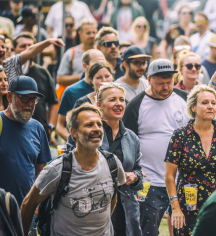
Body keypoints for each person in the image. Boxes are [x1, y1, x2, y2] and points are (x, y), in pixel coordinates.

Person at [20, 103, 126, 236]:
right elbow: (28, 204)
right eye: (89, 125)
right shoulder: (58, 168)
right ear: (73, 132)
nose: (97, 129)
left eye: (99, 124)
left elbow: (113, 195)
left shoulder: (112, 163)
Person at [122, 59, 189, 235]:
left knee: (184, 229)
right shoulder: (136, 105)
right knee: (148, 230)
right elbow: (126, 141)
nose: (166, 87)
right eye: (160, 83)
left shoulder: (184, 99)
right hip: (149, 180)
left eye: (169, 82)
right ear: (149, 78)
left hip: (180, 180)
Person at [165, 85, 216, 236]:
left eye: (213, 103)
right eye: (205, 102)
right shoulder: (181, 135)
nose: (210, 107)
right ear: (193, 107)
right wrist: (175, 208)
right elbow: (169, 175)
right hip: (187, 206)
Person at [96, 83, 143, 236]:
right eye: (112, 100)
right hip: (94, 205)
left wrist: (135, 176)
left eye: (122, 99)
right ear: (99, 105)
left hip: (125, 209)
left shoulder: (132, 137)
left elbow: (138, 170)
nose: (118, 103)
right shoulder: (87, 132)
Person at [0, 76, 51, 205]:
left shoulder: (38, 128)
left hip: (27, 210)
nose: (30, 104)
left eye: (34, 99)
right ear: (10, 97)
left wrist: (36, 201)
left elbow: (40, 172)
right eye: (24, 98)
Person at [13, 33, 59, 134]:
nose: (27, 49)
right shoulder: (10, 71)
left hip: (40, 131)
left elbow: (53, 101)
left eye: (31, 46)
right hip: (15, 129)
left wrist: (50, 126)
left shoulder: (43, 72)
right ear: (14, 49)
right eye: (23, 46)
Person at [56, 49, 105, 140]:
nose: (101, 65)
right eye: (96, 62)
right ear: (85, 66)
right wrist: (75, 143)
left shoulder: (110, 90)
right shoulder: (71, 91)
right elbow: (59, 126)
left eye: (103, 62)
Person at [0, 33, 64, 81]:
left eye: (3, 47)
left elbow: (29, 51)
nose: (1, 49)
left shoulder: (11, 63)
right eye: (23, 46)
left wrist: (48, 41)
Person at [57, 20, 97, 87]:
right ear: (80, 34)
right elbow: (59, 79)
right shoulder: (71, 53)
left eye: (94, 32)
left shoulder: (101, 52)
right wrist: (83, 75)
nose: (92, 35)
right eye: (88, 33)